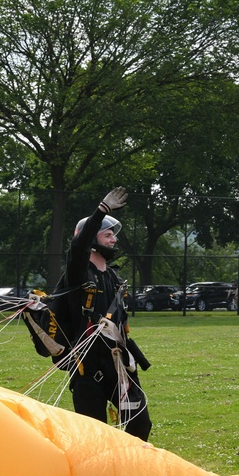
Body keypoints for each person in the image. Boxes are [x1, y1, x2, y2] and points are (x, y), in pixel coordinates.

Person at [57, 187, 152, 441]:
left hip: (118, 364)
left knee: (140, 423)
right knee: (95, 436)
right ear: (92, 240)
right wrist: (101, 211)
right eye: (108, 235)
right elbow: (78, 247)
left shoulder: (113, 277)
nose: (114, 240)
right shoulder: (77, 274)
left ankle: (129, 470)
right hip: (87, 367)